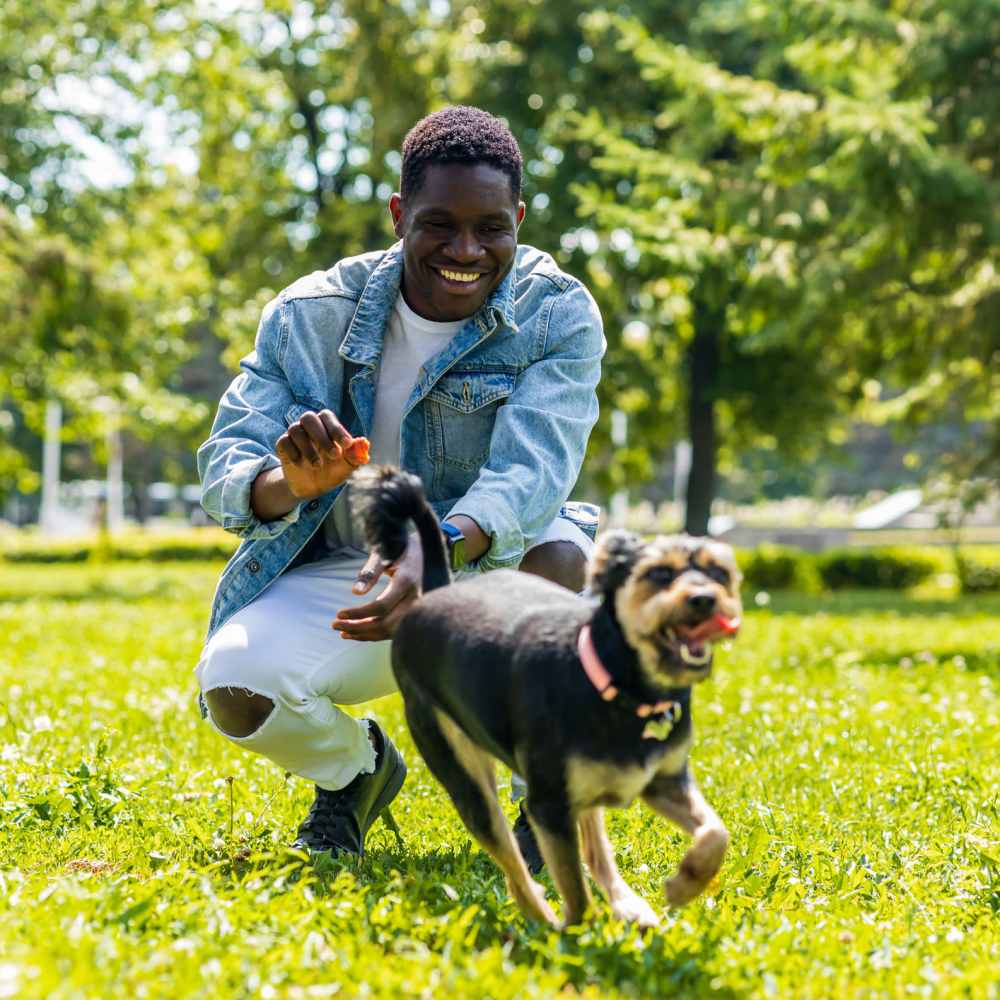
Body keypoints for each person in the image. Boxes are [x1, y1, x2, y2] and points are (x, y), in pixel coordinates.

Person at [195, 106, 605, 863]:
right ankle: (358, 774)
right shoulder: (311, 314)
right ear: (398, 215)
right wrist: (286, 483)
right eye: (438, 224)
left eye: (491, 228)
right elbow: (227, 464)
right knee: (236, 687)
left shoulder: (556, 314)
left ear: (517, 218)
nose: (466, 249)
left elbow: (532, 472)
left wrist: (434, 547)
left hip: (490, 559)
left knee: (563, 562)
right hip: (360, 574)